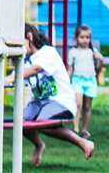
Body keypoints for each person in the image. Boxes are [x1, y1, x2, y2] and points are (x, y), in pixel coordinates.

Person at [20, 24, 94, 165]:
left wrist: (12, 77)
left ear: (29, 37)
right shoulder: (24, 60)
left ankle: (82, 142)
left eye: (20, 44)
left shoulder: (48, 52)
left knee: (42, 124)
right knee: (20, 121)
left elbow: (35, 69)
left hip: (60, 101)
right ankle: (39, 144)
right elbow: (15, 76)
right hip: (38, 103)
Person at [67, 23, 104, 139]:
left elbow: (97, 69)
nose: (85, 40)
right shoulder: (73, 52)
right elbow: (70, 69)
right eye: (82, 37)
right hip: (77, 80)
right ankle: (75, 128)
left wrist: (100, 60)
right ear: (76, 38)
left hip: (90, 81)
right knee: (78, 104)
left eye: (87, 37)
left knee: (87, 107)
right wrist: (67, 82)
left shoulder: (93, 52)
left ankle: (84, 130)